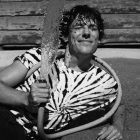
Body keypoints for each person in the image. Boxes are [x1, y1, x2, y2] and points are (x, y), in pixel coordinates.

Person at [0, 5, 125, 140]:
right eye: (78, 27)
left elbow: (119, 104)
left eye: (93, 28)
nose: (86, 32)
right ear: (66, 36)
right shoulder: (40, 57)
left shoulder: (104, 82)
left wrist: (117, 126)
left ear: (99, 38)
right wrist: (25, 98)